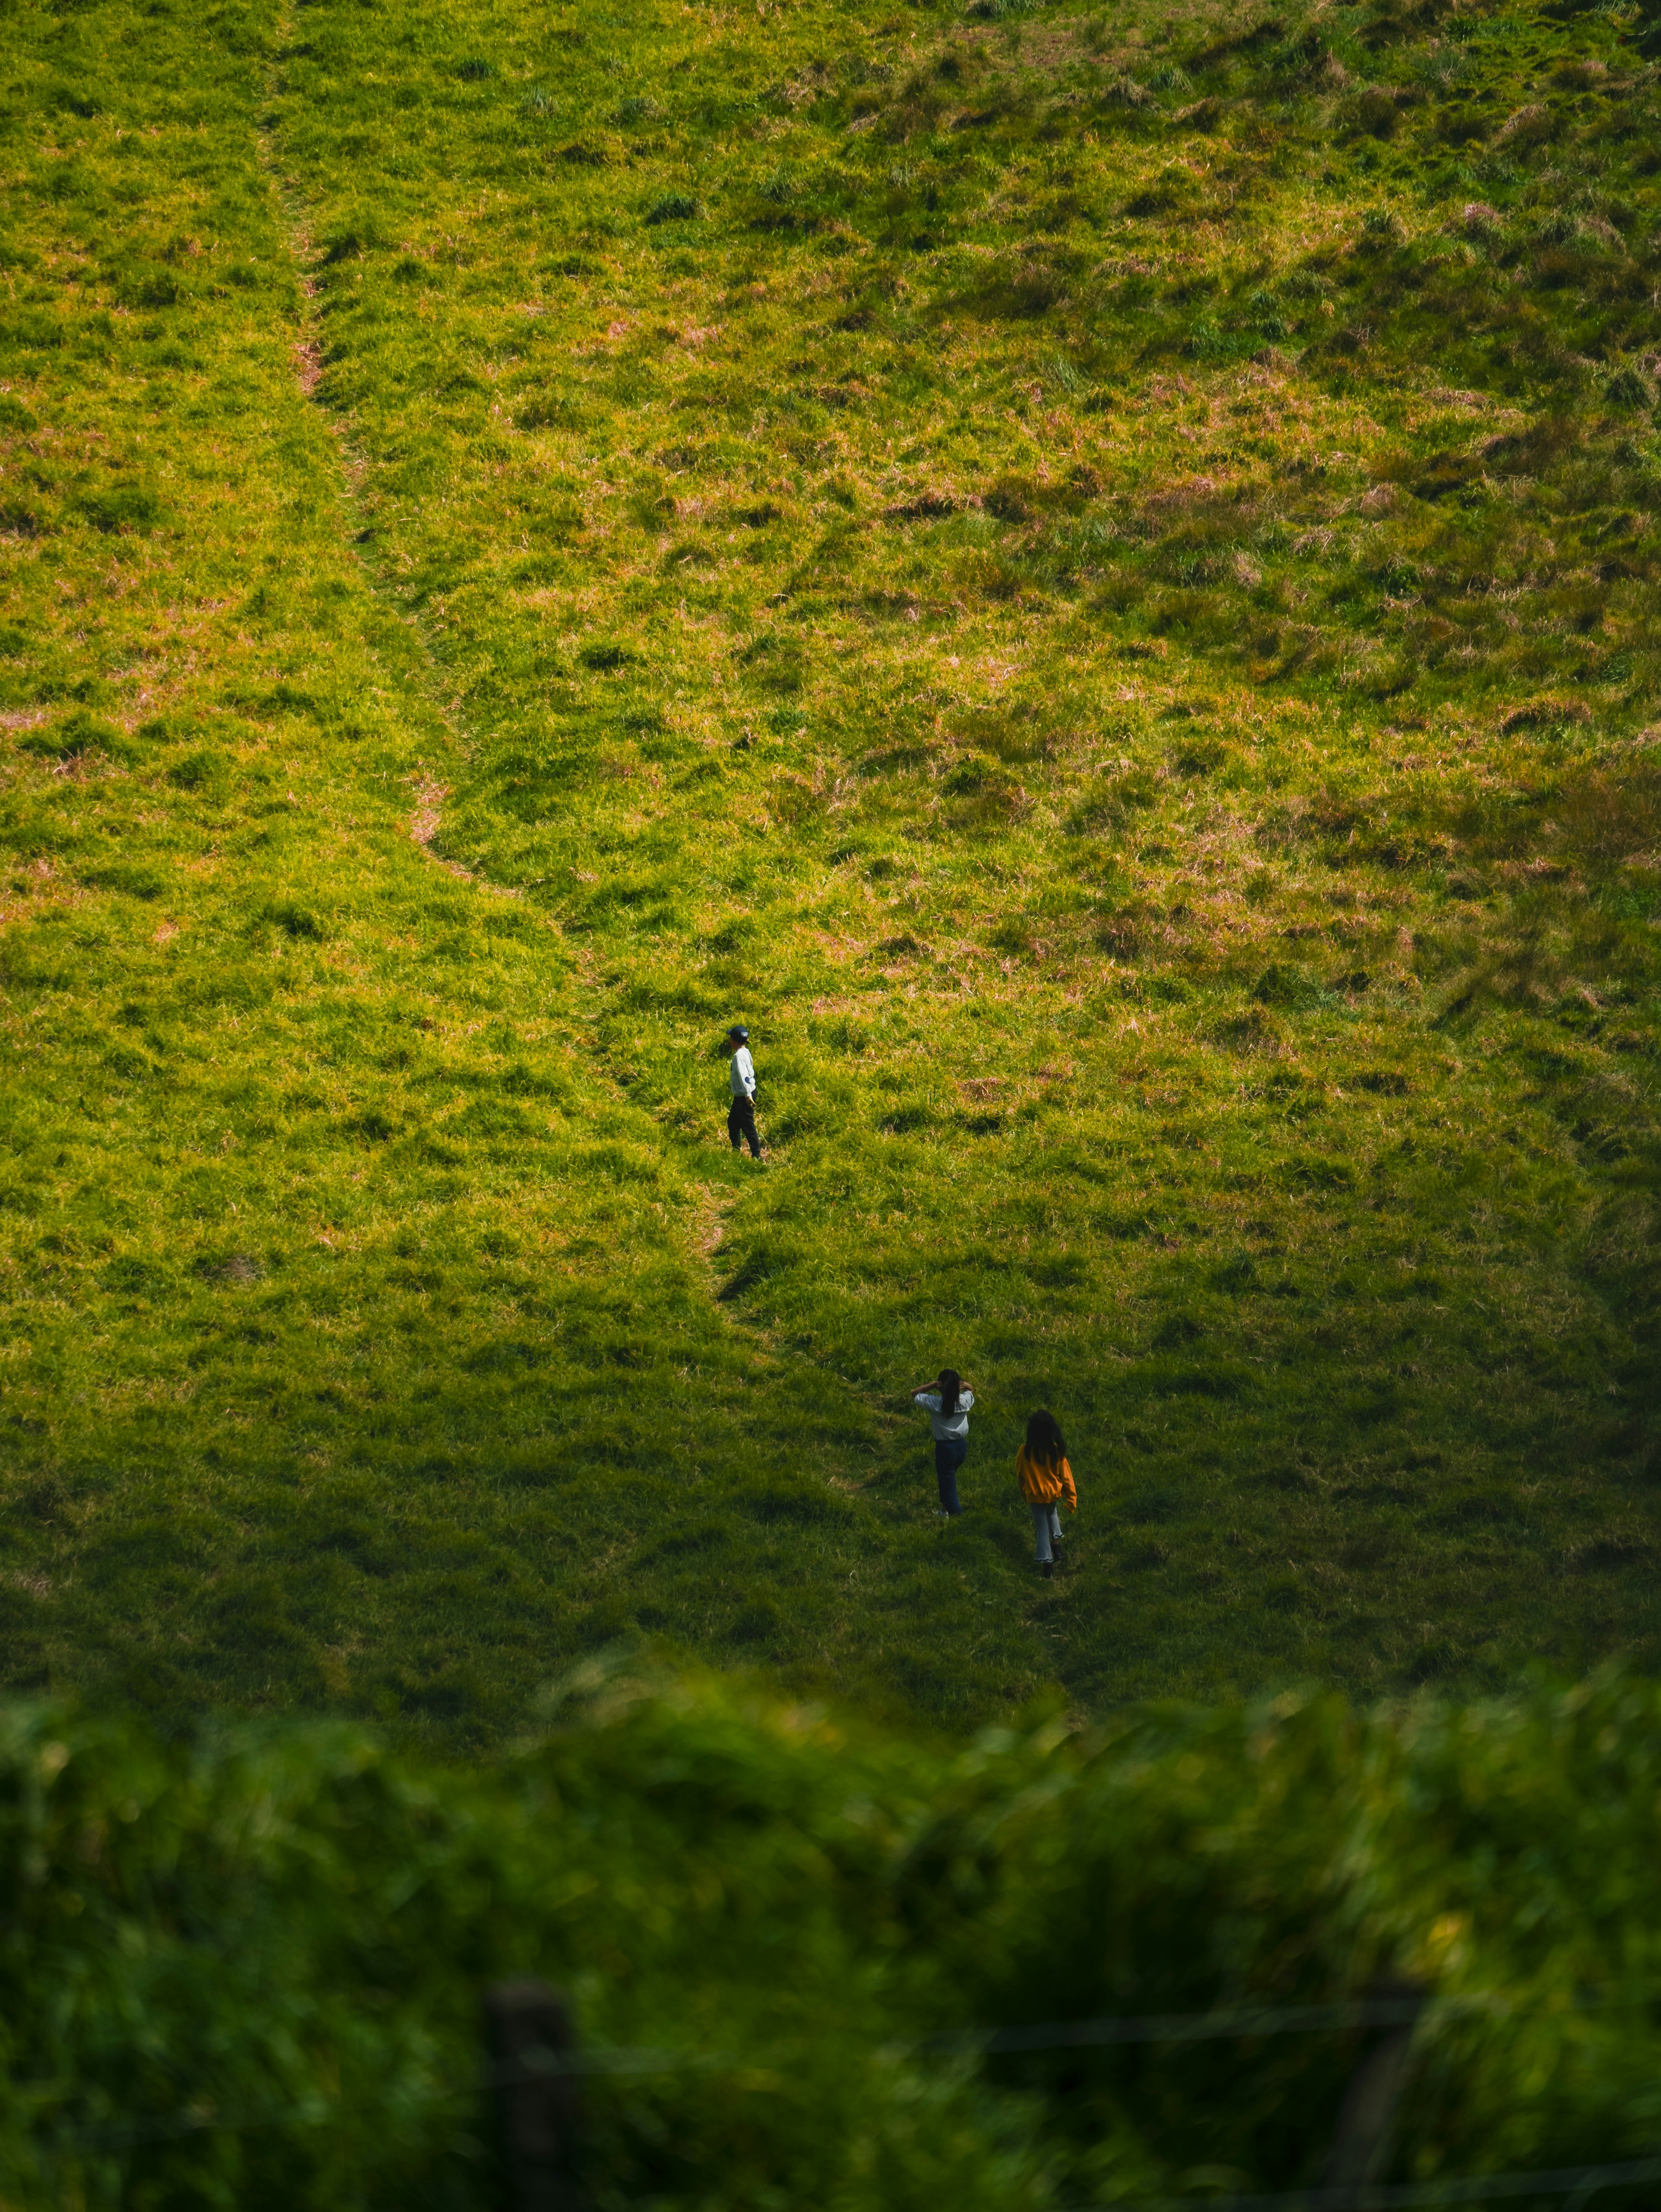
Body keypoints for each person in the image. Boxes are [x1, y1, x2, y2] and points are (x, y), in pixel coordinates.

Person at [1016, 1408, 1076, 1578]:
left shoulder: (1025, 1452)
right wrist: (1071, 1499)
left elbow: (1021, 1476)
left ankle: (1047, 1564)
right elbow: (1067, 1477)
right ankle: (1057, 1547)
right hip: (1053, 1495)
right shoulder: (1056, 1451)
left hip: (1035, 1496)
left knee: (1041, 1527)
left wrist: (1024, 1494)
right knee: (1052, 1514)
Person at [912, 1367, 974, 1517]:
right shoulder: (964, 1402)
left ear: (941, 1387)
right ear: (958, 1386)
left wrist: (933, 1385)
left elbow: (914, 1393)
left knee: (948, 1485)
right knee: (947, 1481)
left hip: (945, 1449)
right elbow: (971, 1389)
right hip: (961, 1447)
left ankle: (957, 1516)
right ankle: (943, 1511)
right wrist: (964, 1384)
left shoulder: (935, 1404)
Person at [725, 1023, 762, 1159]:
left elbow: (744, 1076)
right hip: (744, 1094)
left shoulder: (738, 1057)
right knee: (733, 1122)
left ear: (733, 1041)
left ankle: (757, 1156)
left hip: (745, 1096)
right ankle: (736, 1152)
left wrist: (747, 1095)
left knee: (748, 1125)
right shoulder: (746, 1052)